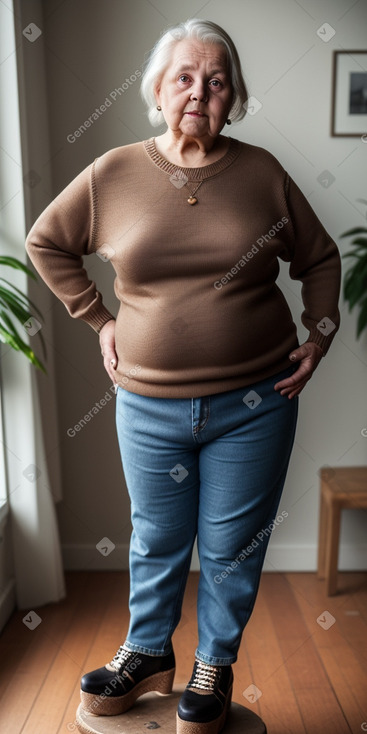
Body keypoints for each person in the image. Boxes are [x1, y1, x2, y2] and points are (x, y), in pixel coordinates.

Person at [25, 18, 341, 734]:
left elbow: (319, 260)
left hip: (256, 400)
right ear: (157, 92)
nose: (201, 91)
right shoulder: (113, 173)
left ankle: (214, 663)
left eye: (218, 79)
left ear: (234, 98)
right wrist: (98, 319)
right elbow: (45, 241)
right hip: (146, 402)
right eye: (185, 78)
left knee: (230, 547)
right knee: (153, 538)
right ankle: (146, 651)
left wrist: (318, 334)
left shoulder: (261, 173)